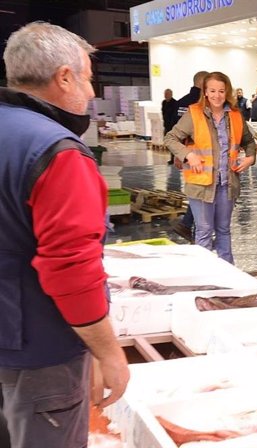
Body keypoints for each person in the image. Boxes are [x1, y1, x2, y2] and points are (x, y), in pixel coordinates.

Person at [0, 22, 130, 447]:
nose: (92, 93)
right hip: (40, 349)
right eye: (89, 79)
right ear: (64, 77)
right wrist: (108, 352)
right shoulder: (57, 151)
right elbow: (70, 270)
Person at [165, 72, 257, 264]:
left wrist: (251, 157)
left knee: (223, 230)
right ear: (205, 92)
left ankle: (226, 274)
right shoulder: (194, 114)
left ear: (227, 92)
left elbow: (248, 141)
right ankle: (205, 276)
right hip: (201, 185)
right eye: (212, 91)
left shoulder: (235, 116)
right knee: (204, 231)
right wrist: (188, 155)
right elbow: (170, 138)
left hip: (227, 183)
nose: (217, 95)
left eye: (221, 91)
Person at [169, 70, 209, 242]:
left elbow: (172, 130)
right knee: (202, 192)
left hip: (186, 156)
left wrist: (178, 155)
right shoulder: (199, 104)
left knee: (195, 190)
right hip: (202, 157)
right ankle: (190, 224)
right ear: (202, 83)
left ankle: (188, 223)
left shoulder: (181, 102)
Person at [162, 88, 178, 164]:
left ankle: (174, 158)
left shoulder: (175, 103)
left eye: (167, 94)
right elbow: (163, 113)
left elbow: (175, 115)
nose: (166, 96)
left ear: (171, 94)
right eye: (165, 94)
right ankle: (172, 158)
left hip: (173, 126)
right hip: (166, 126)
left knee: (173, 142)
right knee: (168, 142)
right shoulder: (164, 103)